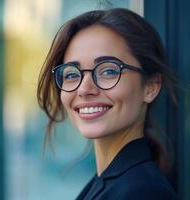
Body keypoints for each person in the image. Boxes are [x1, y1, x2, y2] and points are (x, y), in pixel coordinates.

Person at [37, 8, 178, 200]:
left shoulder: (144, 192)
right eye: (71, 74)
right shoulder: (107, 182)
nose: (84, 89)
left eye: (108, 71)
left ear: (151, 87)